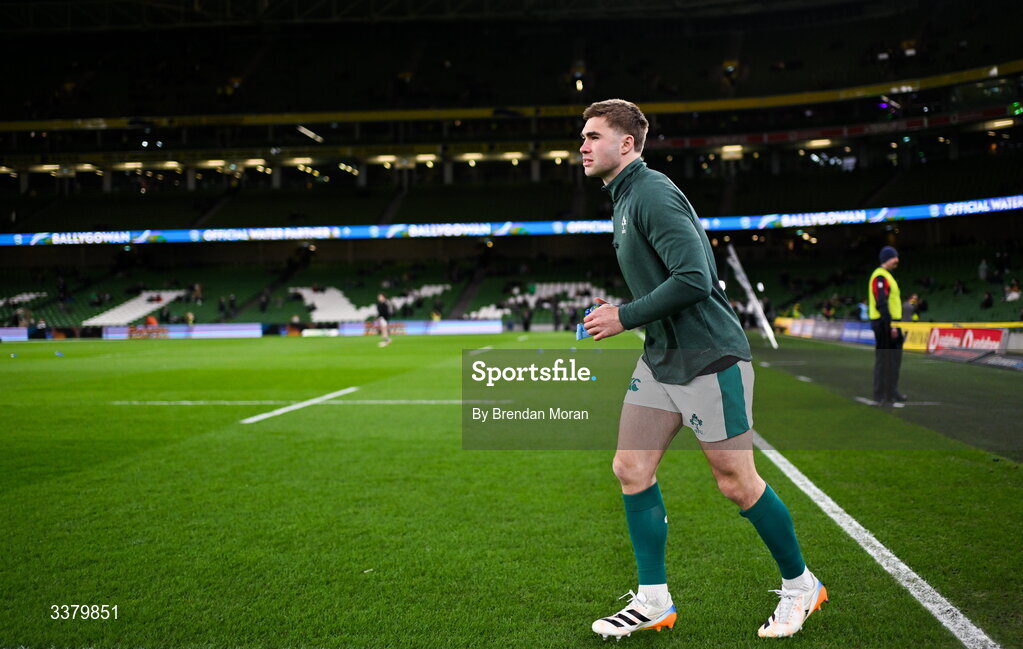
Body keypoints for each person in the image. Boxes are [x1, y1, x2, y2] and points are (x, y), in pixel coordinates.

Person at [579, 99, 825, 641]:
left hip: (708, 355)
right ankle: (653, 601)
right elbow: (667, 279)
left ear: (627, 144)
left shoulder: (650, 191)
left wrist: (625, 316)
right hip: (663, 356)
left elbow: (694, 277)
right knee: (630, 468)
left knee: (736, 482)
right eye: (583, 136)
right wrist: (624, 310)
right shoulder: (624, 198)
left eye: (594, 136)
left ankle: (802, 585)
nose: (583, 145)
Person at [869, 246, 906, 405]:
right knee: (886, 359)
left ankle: (890, 391)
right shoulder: (880, 277)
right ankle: (882, 394)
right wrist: (890, 325)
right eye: (894, 257)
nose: (897, 260)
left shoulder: (886, 276)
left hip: (891, 322)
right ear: (886, 259)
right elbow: (881, 302)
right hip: (885, 323)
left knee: (893, 359)